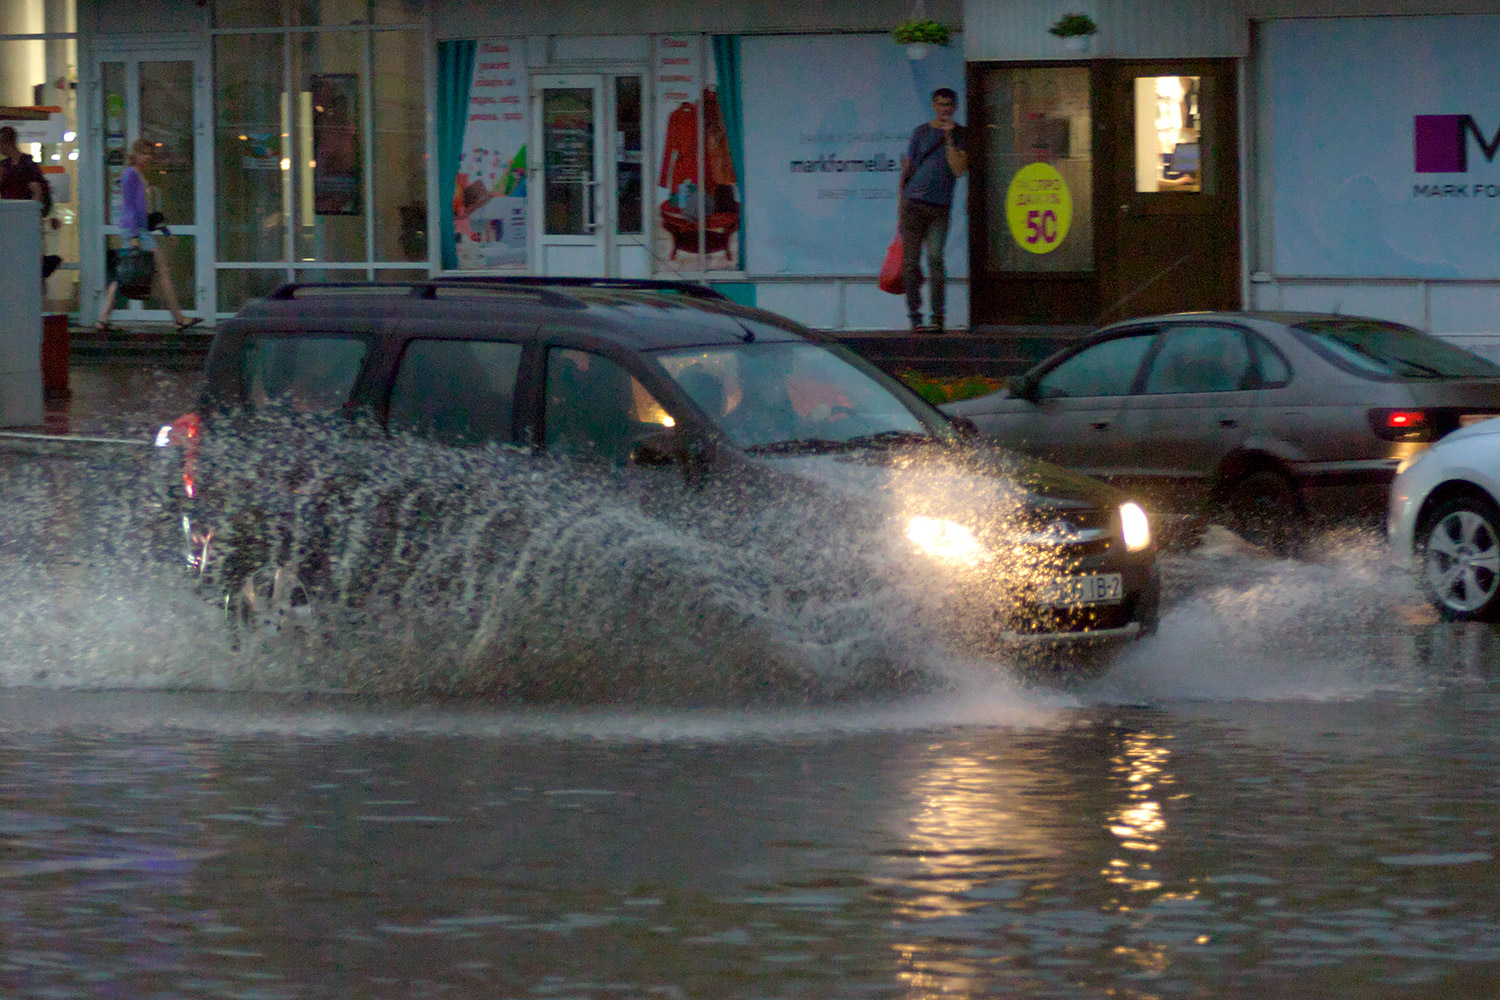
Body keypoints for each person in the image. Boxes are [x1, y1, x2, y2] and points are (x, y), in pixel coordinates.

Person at [96, 138, 200, 333]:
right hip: (136, 231)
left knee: (125, 274)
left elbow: (148, 211)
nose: (147, 157)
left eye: (150, 154)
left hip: (138, 230)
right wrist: (135, 236)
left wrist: (165, 231)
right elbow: (130, 208)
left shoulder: (137, 174)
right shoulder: (130, 175)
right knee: (159, 272)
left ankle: (102, 319)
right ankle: (179, 318)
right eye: (144, 153)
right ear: (134, 154)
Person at [898, 88, 968, 334]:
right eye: (939, 104)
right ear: (933, 105)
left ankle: (938, 317)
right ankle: (915, 317)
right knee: (910, 264)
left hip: (939, 205)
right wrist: (901, 207)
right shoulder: (921, 132)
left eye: (948, 104)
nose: (943, 109)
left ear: (955, 106)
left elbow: (959, 170)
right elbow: (909, 169)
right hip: (913, 203)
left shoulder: (960, 134)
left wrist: (949, 138)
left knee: (936, 259)